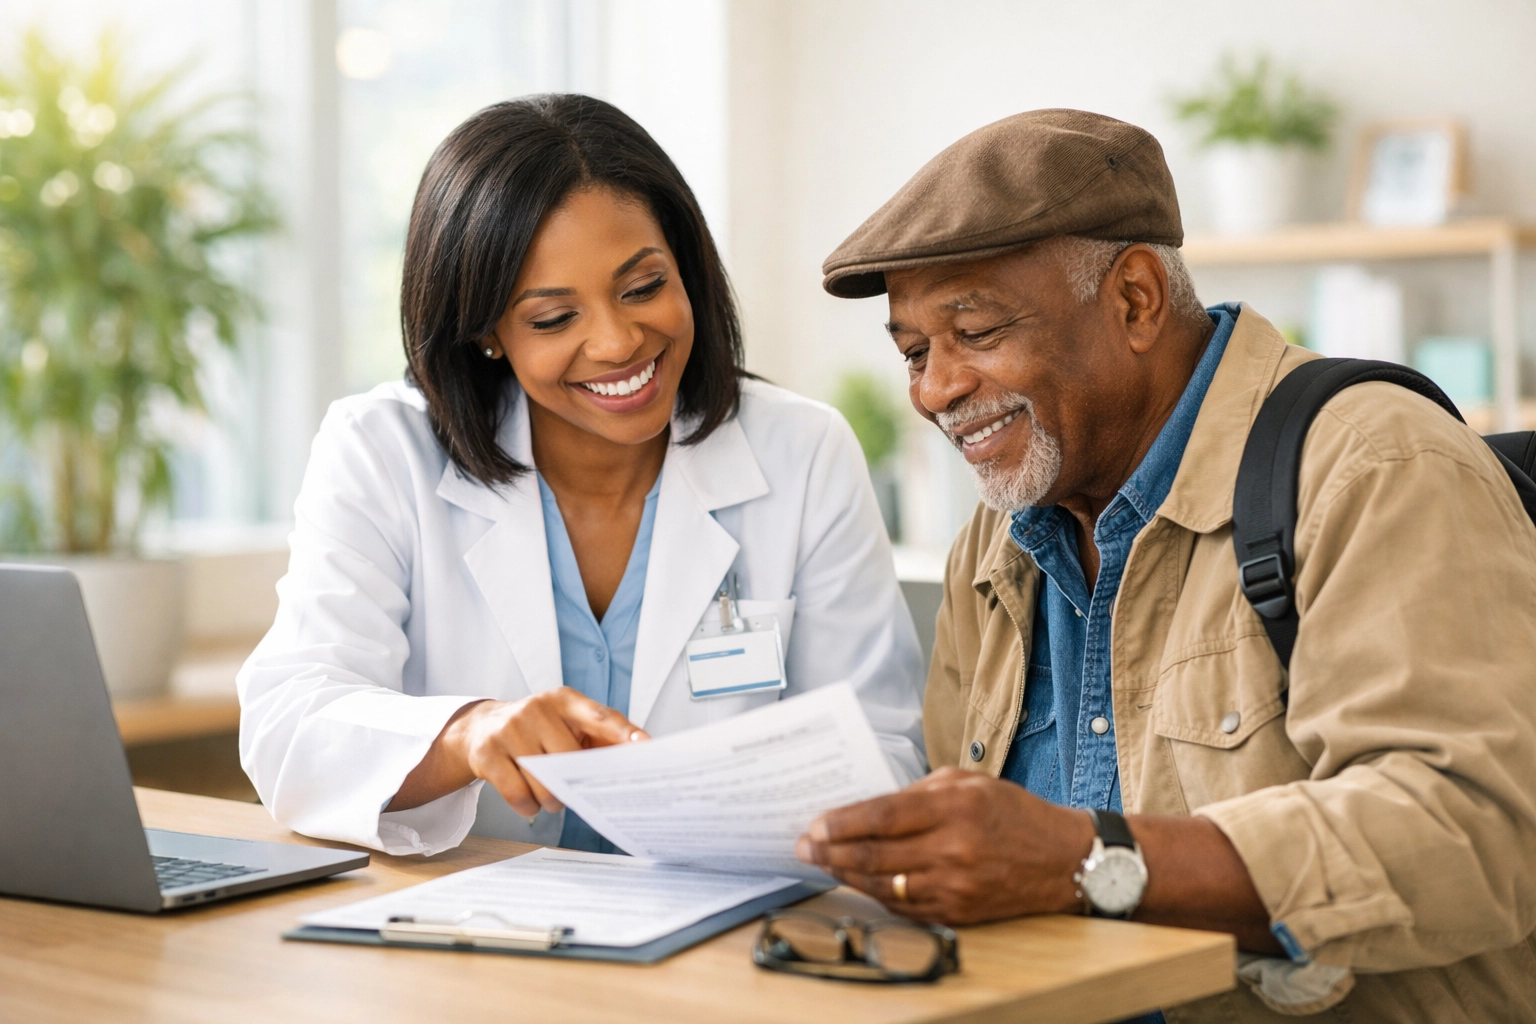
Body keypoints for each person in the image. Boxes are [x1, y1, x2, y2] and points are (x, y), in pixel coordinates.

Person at [796, 108, 1536, 1022]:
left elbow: (1472, 837)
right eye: (914, 353)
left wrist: (1088, 859)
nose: (936, 390)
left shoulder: (1375, 465)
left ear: (1137, 299)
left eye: (976, 333)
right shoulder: (993, 549)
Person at [238, 94, 925, 857]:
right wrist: (465, 734)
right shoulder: (381, 451)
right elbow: (289, 728)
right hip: (473, 928)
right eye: (552, 319)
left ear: (686, 268)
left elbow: (882, 756)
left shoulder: (804, 452)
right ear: (487, 333)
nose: (618, 341)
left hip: (727, 933)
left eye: (642, 288)